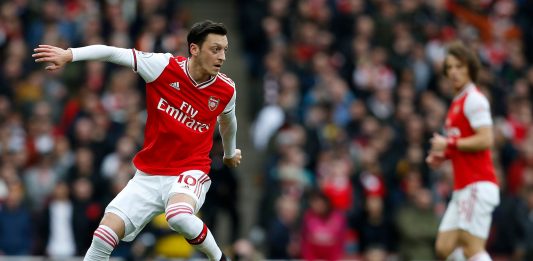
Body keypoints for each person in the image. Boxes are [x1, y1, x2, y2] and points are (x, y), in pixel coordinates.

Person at [33, 20, 242, 261]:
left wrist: (229, 153)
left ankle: (219, 258)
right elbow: (113, 53)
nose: (222, 56)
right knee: (103, 235)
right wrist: (70, 54)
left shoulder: (226, 89)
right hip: (149, 174)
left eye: (225, 49)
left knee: (178, 215)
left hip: (190, 170)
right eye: (215, 49)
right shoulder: (162, 66)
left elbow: (228, 122)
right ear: (194, 49)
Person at [426, 41, 499, 261]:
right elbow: (463, 142)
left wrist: (450, 145)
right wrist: (443, 156)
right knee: (444, 249)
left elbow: (486, 139)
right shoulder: (456, 103)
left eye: (459, 66)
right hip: (463, 187)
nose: (454, 72)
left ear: (470, 68)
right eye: (449, 67)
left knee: (471, 247)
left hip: (478, 183)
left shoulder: (474, 99)